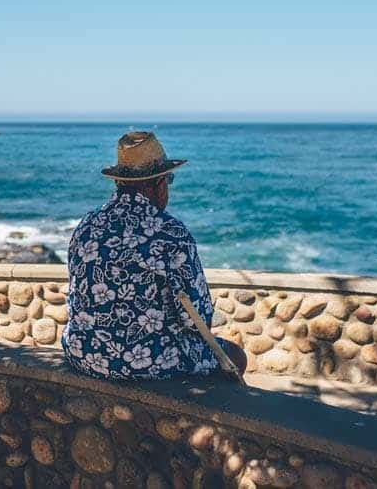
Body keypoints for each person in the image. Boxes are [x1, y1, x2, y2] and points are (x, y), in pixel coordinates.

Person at [61, 131, 246, 380]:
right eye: (169, 180)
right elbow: (197, 320)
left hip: (84, 354)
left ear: (119, 182)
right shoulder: (170, 233)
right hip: (146, 364)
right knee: (235, 356)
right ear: (158, 184)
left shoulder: (87, 225)